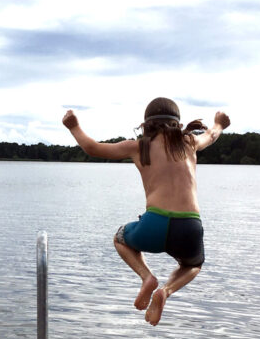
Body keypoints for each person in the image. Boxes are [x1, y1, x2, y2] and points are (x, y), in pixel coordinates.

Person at [62, 98, 229, 326]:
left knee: (120, 238)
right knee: (192, 265)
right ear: (177, 124)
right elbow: (211, 135)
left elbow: (92, 148)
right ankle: (166, 291)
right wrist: (219, 123)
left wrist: (73, 126)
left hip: (154, 224)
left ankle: (147, 277)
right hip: (189, 226)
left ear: (146, 124)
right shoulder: (189, 142)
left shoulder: (139, 147)